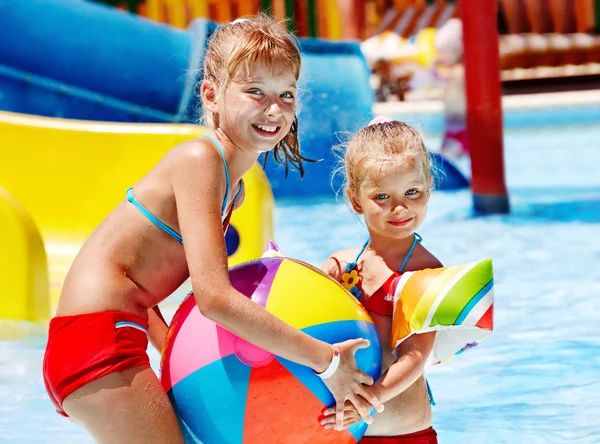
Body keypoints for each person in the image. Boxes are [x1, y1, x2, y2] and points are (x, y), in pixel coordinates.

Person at [42, 15, 383, 443]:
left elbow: (131, 279)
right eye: (255, 92)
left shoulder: (233, 189)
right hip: (96, 341)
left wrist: (174, 354)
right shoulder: (199, 162)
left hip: (109, 334)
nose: (274, 109)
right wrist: (326, 361)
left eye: (286, 95)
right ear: (211, 94)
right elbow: (214, 299)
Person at [320, 117, 441, 443]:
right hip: (346, 434)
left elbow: (415, 356)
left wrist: (368, 398)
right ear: (357, 200)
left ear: (428, 191)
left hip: (405, 435)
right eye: (382, 196)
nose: (400, 207)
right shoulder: (340, 265)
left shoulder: (424, 273)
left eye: (412, 192)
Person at [435, 18, 469, 160]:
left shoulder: (460, 71)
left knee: (445, 161)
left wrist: (434, 69)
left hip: (463, 131)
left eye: (444, 52)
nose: (441, 56)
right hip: (451, 130)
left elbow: (445, 76)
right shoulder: (454, 70)